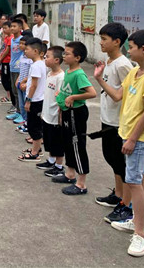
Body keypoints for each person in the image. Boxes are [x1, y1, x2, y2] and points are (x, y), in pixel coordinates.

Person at [96, 30, 144, 257]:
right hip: (126, 132)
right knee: (137, 177)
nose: (128, 50)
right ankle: (136, 221)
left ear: (143, 49)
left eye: (131, 46)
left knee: (133, 180)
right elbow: (117, 96)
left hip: (138, 137)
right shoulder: (135, 71)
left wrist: (132, 138)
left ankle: (140, 233)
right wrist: (99, 78)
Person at [92, 23, 133, 224]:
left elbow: (119, 95)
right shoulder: (110, 61)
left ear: (117, 42)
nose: (101, 42)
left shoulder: (123, 65)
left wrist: (99, 80)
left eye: (104, 39)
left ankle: (127, 204)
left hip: (118, 122)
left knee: (121, 162)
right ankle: (118, 195)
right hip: (107, 118)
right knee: (111, 158)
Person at [54, 41, 97, 195]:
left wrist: (73, 97)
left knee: (77, 144)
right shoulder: (68, 72)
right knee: (68, 143)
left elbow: (92, 93)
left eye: (67, 54)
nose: (64, 56)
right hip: (66, 112)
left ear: (77, 58)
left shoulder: (79, 74)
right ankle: (70, 173)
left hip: (76, 113)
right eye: (64, 53)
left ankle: (81, 183)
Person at [36, 46, 66, 176]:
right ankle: (51, 160)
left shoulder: (61, 77)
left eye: (47, 57)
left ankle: (59, 166)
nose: (45, 59)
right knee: (48, 140)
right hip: (47, 114)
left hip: (55, 116)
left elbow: (61, 98)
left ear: (57, 60)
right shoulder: (49, 73)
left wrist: (60, 115)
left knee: (57, 142)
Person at [18, 38, 47, 161]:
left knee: (33, 127)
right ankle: (37, 148)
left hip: (35, 100)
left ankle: (35, 153)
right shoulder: (40, 64)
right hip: (38, 99)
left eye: (27, 49)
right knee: (35, 126)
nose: (25, 51)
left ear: (36, 51)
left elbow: (34, 85)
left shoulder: (36, 65)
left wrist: (28, 100)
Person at [12, 36, 32, 128]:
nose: (21, 45)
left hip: (26, 85)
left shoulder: (31, 59)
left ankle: (27, 122)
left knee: (26, 103)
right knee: (21, 103)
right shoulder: (22, 56)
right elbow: (21, 71)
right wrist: (18, 80)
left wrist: (25, 82)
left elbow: (31, 74)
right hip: (20, 83)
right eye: (20, 43)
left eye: (23, 44)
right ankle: (24, 119)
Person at [5, 19, 23, 120]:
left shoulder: (22, 40)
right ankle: (17, 111)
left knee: (19, 91)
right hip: (12, 67)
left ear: (20, 28)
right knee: (14, 91)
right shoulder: (11, 39)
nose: (12, 28)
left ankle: (22, 114)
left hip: (19, 69)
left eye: (14, 26)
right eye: (11, 26)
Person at [0, 21, 14, 105]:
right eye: (3, 28)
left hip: (7, 61)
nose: (4, 30)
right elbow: (3, 50)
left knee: (6, 79)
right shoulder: (7, 38)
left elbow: (7, 51)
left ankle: (9, 97)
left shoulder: (11, 38)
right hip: (4, 61)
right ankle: (8, 96)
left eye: (6, 28)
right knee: (4, 79)